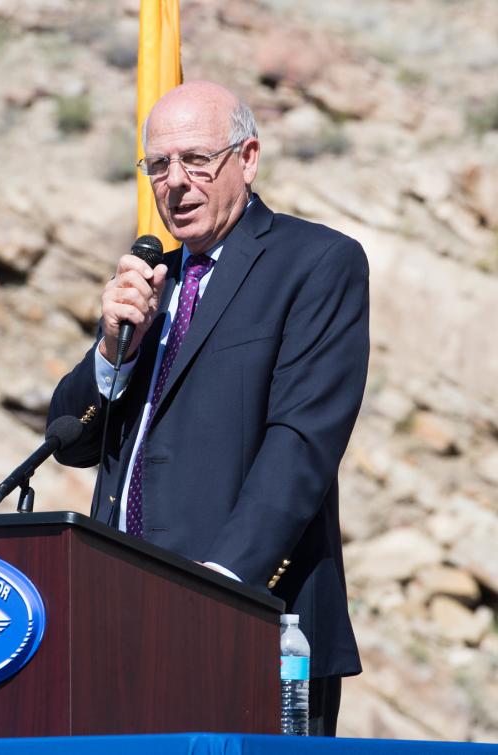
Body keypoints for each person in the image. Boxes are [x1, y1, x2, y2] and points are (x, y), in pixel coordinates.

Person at [47, 80, 369, 736]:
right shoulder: (153, 283)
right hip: (120, 625)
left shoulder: (315, 264)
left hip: (252, 625)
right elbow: (70, 438)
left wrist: (216, 590)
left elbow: (300, 443)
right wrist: (113, 348)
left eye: (197, 159)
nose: (176, 182)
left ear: (247, 158)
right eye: (159, 165)